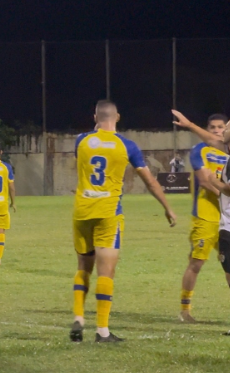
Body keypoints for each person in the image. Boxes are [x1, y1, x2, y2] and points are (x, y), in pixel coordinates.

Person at [70, 100, 177, 343]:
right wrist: (167, 207)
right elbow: (150, 182)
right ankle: (102, 331)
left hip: (82, 211)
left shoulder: (81, 141)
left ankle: (79, 317)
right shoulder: (127, 146)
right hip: (108, 212)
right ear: (117, 117)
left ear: (95, 117)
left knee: (83, 267)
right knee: (106, 272)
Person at [172, 109, 230, 335]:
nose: (222, 132)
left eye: (226, 127)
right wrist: (190, 124)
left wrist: (215, 181)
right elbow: (212, 141)